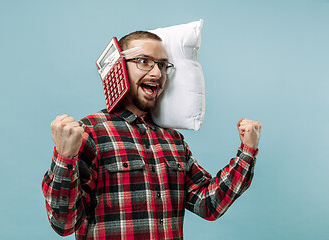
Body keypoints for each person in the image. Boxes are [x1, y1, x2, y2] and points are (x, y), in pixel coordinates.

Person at [42, 31, 262, 240]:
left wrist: (247, 152)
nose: (157, 73)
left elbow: (209, 204)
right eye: (144, 61)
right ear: (119, 66)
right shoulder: (90, 132)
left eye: (162, 65)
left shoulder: (173, 140)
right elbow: (64, 223)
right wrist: (65, 157)